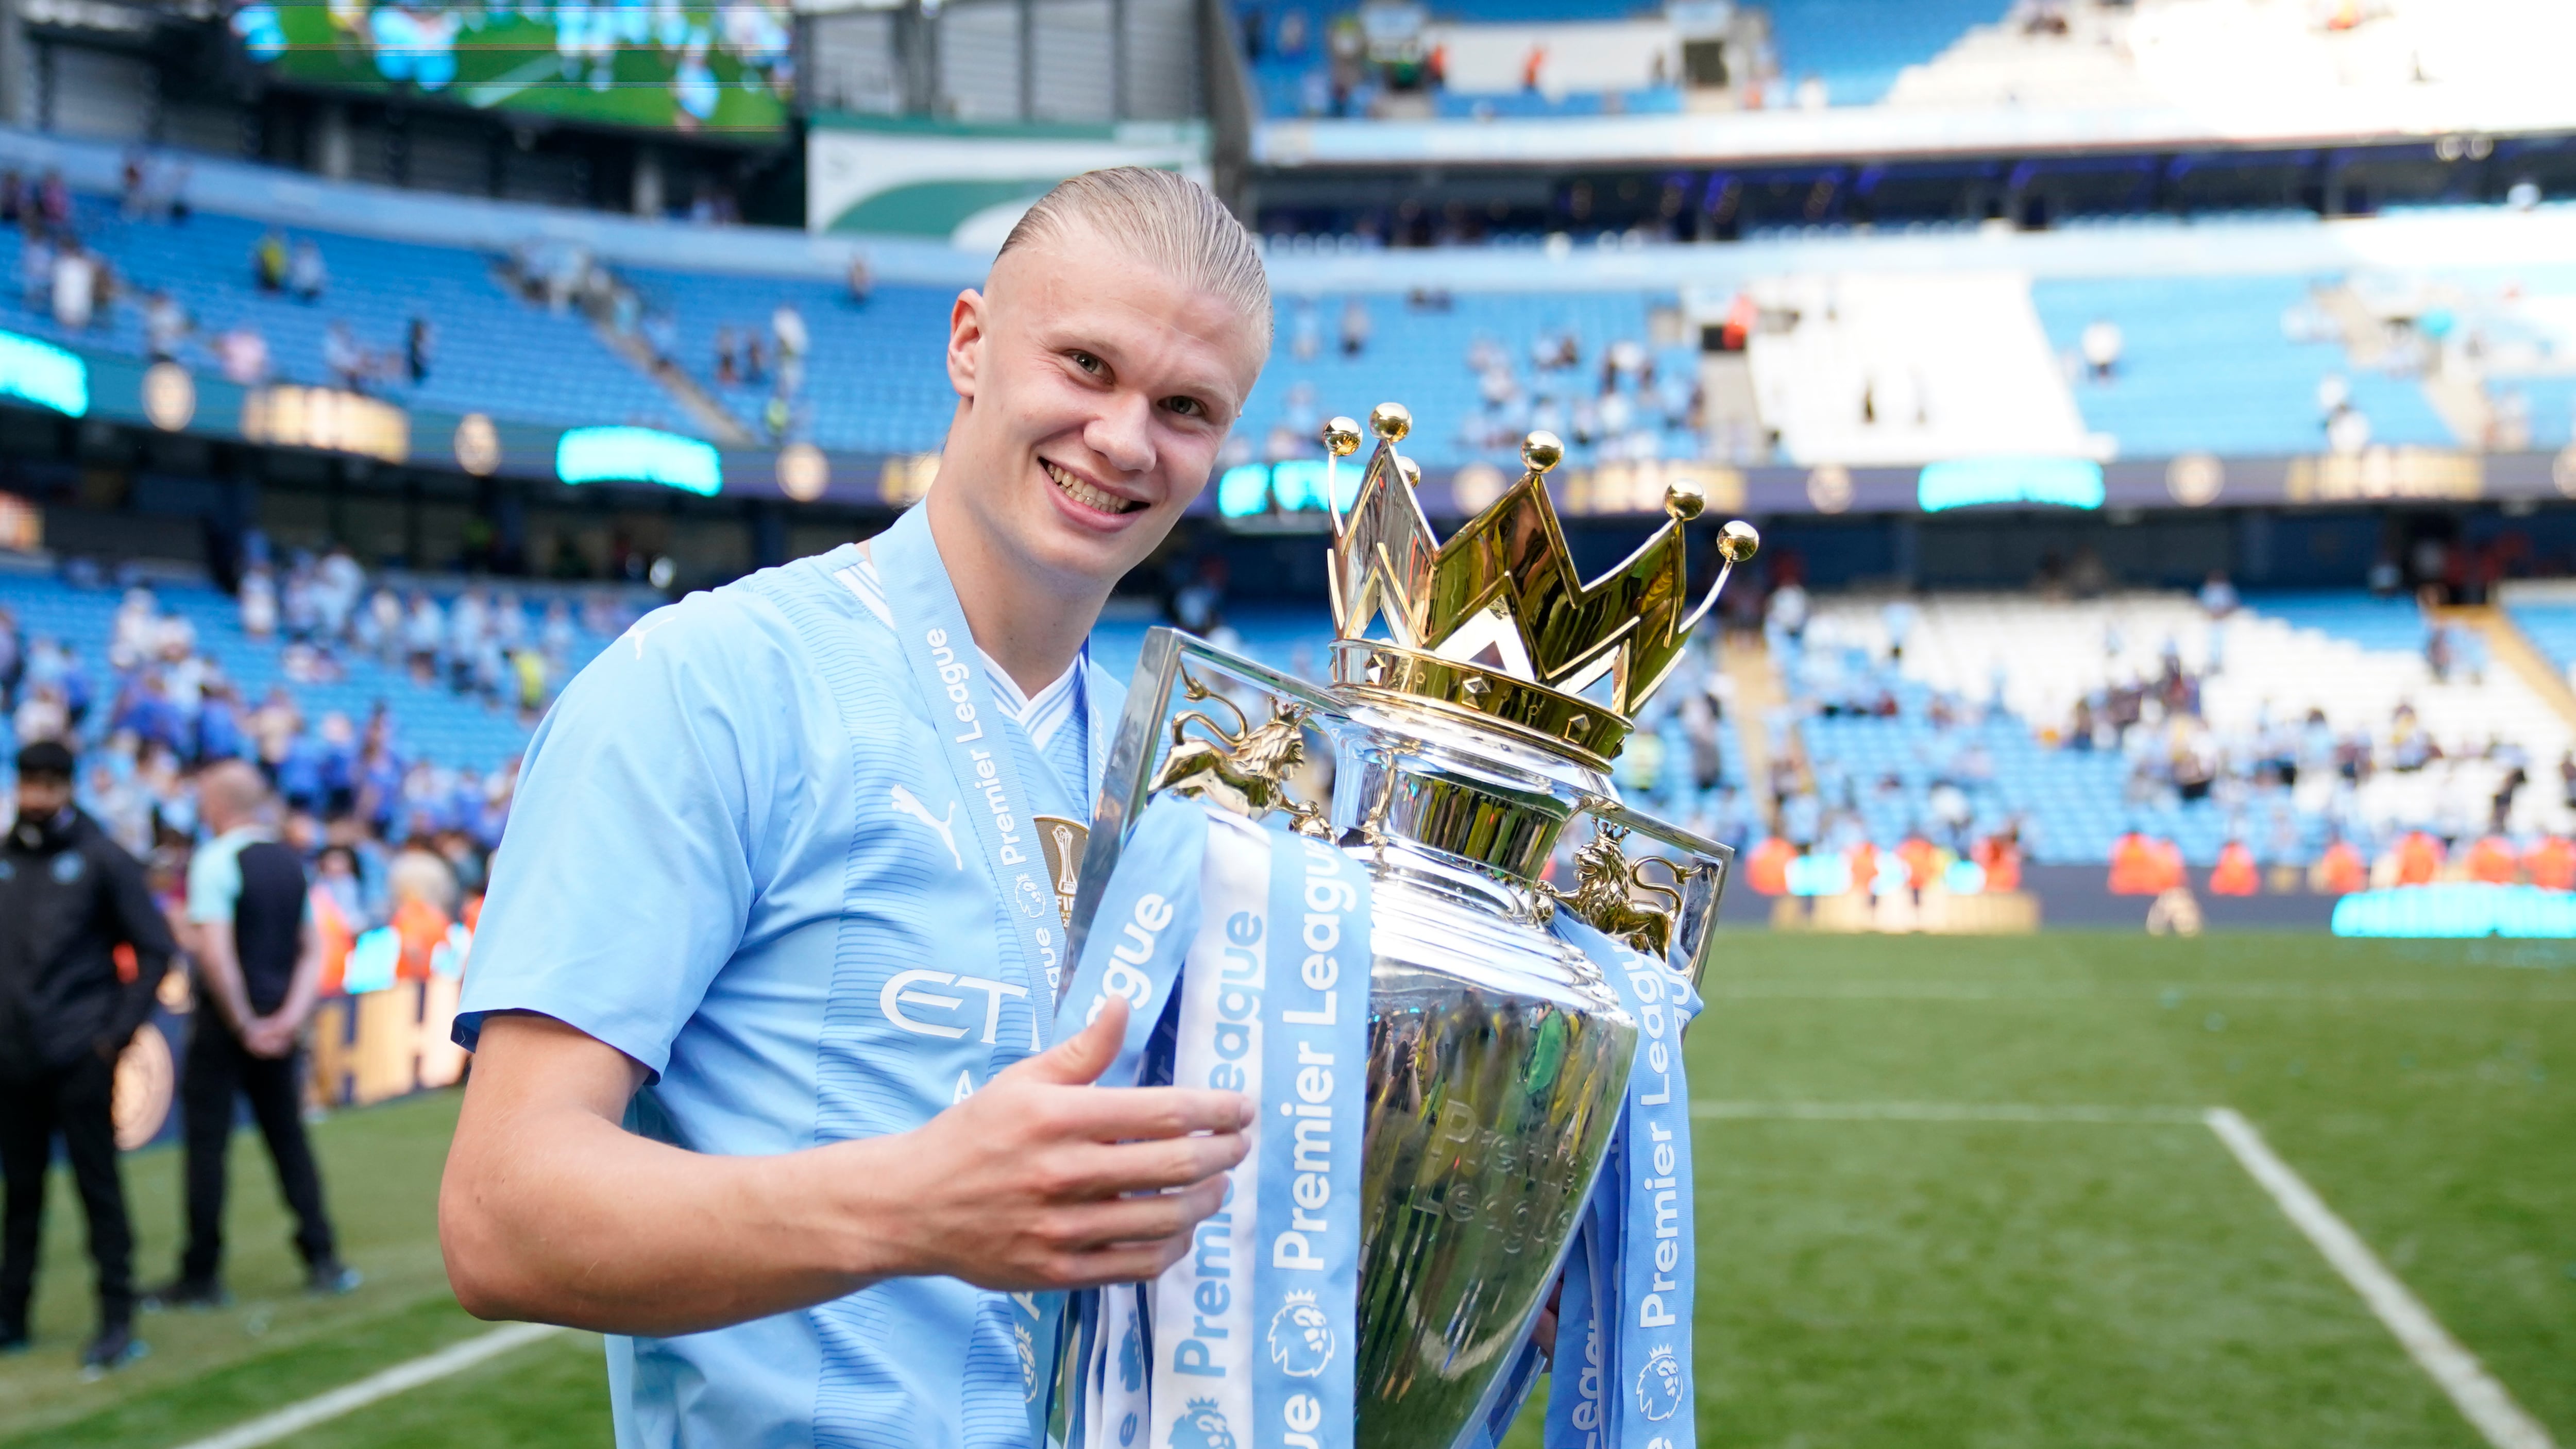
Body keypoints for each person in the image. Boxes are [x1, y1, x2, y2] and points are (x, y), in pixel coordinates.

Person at [438, 167, 1272, 1446]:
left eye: (1185, 407)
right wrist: (915, 1204)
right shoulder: (708, 684)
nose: (1123, 438)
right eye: (1087, 365)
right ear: (970, 343)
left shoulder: (1176, 781)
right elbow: (500, 1210)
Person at [150, 761, 357, 1308]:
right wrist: (289, 1018)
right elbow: (311, 950)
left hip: (225, 1027)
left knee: (208, 1148)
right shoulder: (290, 861)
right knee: (288, 1139)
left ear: (217, 805)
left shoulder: (217, 860)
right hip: (279, 1024)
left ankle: (201, 1273)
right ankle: (322, 1255)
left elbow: (216, 952)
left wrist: (244, 1021)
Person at [0, 740, 177, 1370]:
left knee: (97, 1188)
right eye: (30, 781)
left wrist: (112, 1037)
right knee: (21, 1194)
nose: (37, 795)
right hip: (14, 1057)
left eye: (49, 783)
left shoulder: (102, 858)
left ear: (68, 786)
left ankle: (116, 1317)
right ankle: (12, 1315)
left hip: (79, 1055)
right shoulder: (7, 858)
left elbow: (155, 949)